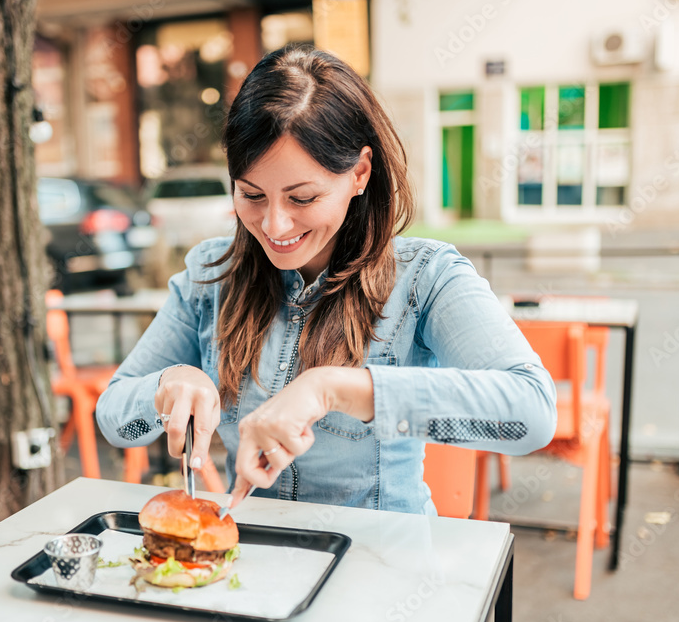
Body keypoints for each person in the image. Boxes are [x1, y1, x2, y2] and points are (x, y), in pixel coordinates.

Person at [97, 46, 556, 515]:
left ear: (359, 173)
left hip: (383, 564)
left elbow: (531, 417)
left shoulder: (425, 278)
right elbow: (115, 421)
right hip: (256, 564)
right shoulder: (210, 276)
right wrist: (166, 388)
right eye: (251, 194)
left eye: (302, 197)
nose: (274, 226)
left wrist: (334, 389)